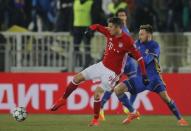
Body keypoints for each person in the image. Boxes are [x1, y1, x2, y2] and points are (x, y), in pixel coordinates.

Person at [51, 17, 149, 126]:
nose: (108, 28)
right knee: (76, 78)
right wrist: (89, 29)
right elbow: (97, 26)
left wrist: (144, 74)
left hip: (112, 73)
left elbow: (139, 58)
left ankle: (95, 119)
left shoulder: (127, 41)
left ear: (118, 28)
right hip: (101, 65)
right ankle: (63, 99)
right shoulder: (109, 32)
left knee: (97, 93)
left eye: (111, 27)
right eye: (109, 26)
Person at [113, 24, 189, 126]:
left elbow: (147, 60)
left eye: (142, 35)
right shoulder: (137, 43)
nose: (139, 37)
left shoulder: (155, 46)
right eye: (139, 34)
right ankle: (133, 112)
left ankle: (180, 119)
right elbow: (127, 51)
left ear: (148, 35)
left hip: (154, 79)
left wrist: (134, 55)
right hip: (141, 78)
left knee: (166, 99)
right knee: (118, 89)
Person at [99, 9, 138, 121]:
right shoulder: (118, 30)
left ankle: (128, 107)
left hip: (129, 63)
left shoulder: (125, 29)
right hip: (120, 63)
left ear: (126, 17)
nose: (121, 17)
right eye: (119, 15)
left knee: (134, 86)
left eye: (123, 15)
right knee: (111, 87)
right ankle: (101, 107)